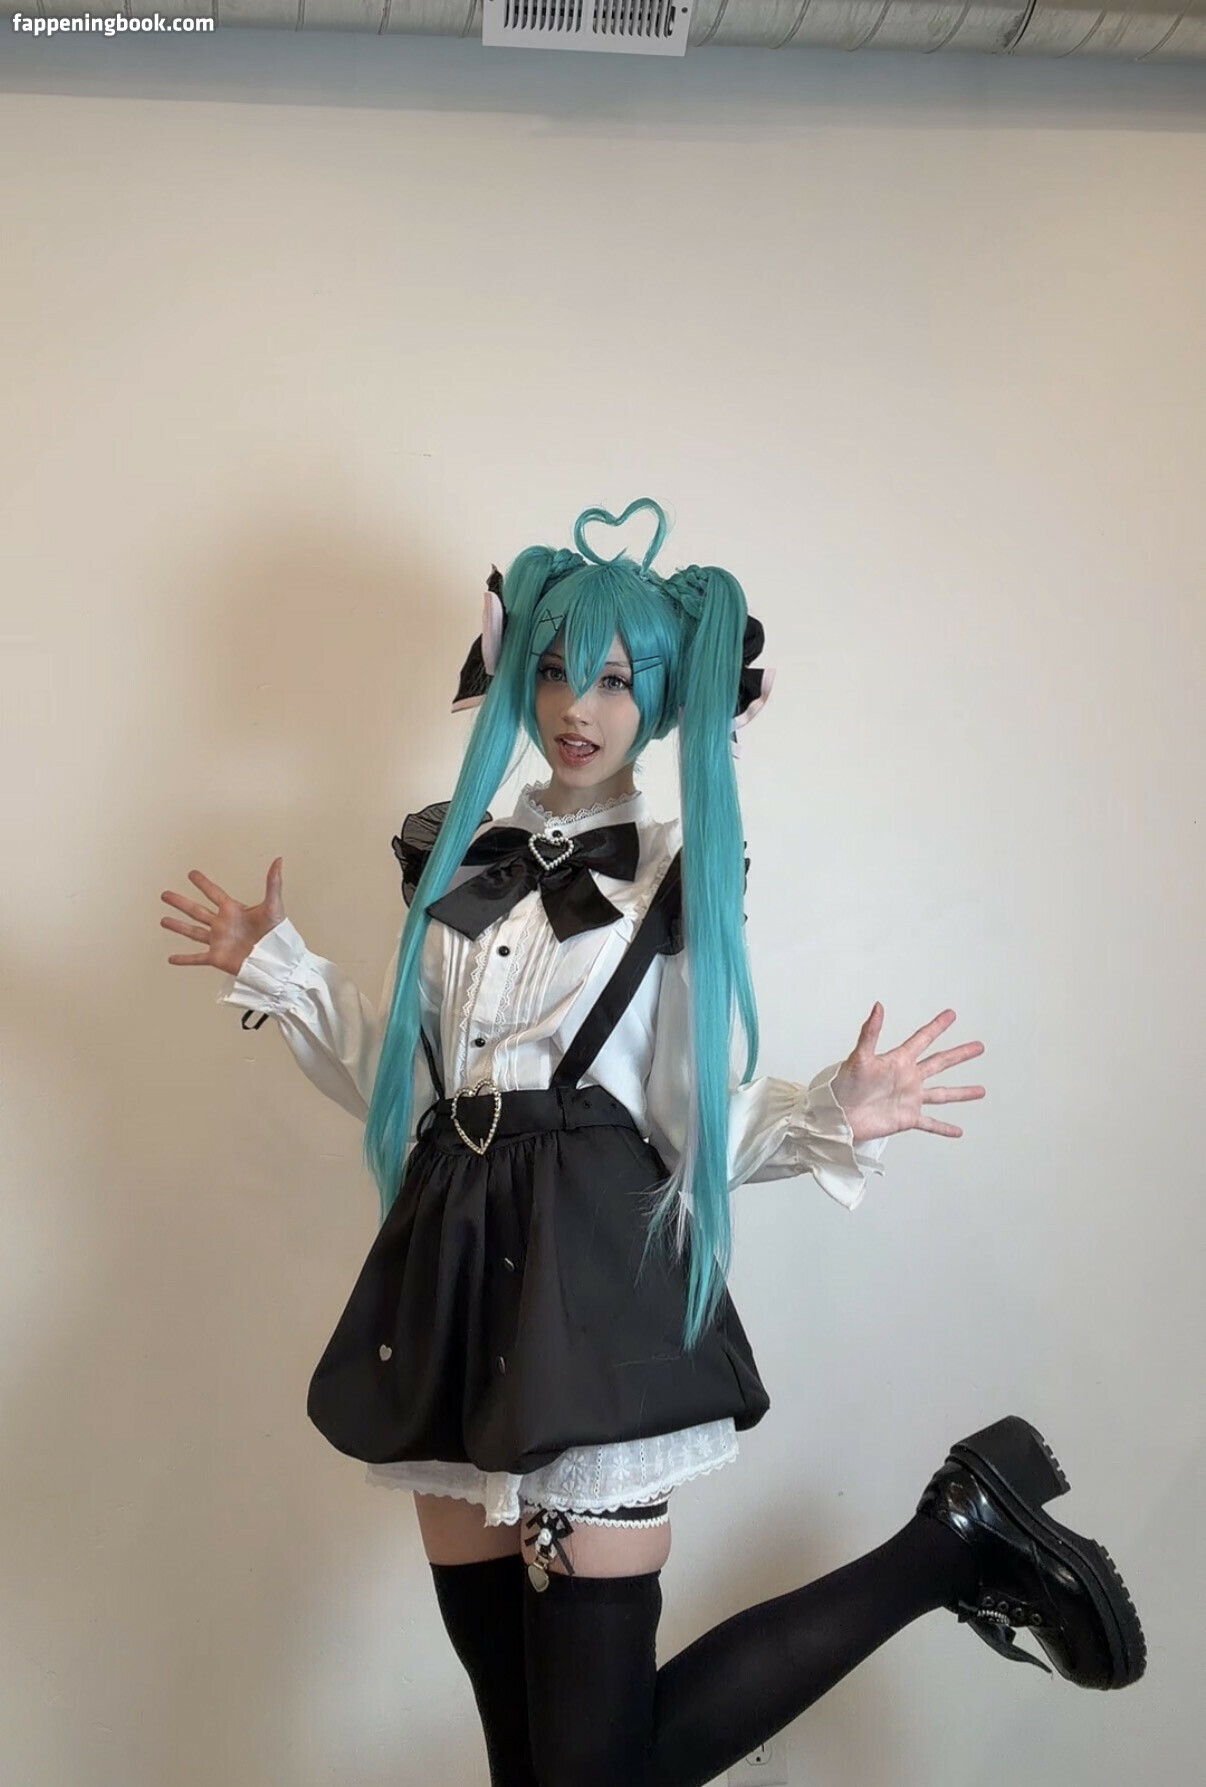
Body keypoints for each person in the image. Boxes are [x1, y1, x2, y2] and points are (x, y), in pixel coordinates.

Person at [161, 499, 1146, 1787]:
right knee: (531, 1761)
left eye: (618, 680)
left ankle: (947, 1545)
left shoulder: (678, 872)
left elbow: (683, 1117)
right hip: (449, 1284)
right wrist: (283, 972)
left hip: (590, 1289)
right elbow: (414, 1086)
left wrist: (828, 1112)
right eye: (556, 668)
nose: (579, 705)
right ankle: (964, 1531)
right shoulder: (452, 856)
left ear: (669, 697)